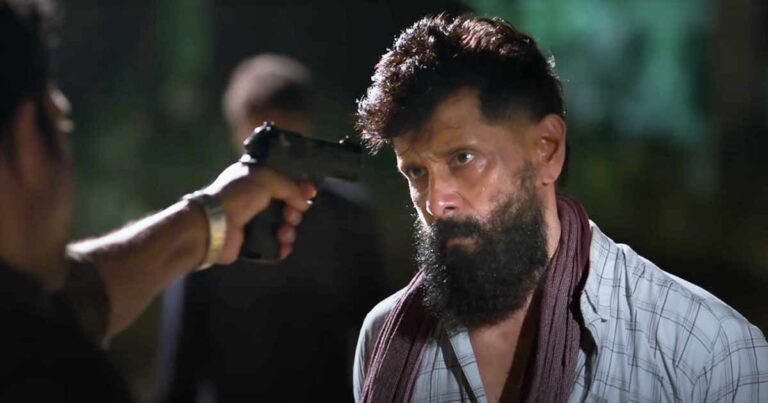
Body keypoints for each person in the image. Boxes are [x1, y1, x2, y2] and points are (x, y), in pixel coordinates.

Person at [352, 14, 768, 403]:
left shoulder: (708, 350)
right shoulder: (384, 338)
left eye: (463, 158)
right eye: (417, 172)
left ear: (547, 150)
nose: (436, 201)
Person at [0, 1, 316, 401]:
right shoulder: (50, 374)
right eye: (63, 124)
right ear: (28, 140)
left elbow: (72, 301)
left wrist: (205, 221)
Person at [156, 54, 387, 402]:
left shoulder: (348, 218)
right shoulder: (212, 219)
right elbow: (180, 362)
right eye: (266, 145)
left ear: (305, 128)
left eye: (285, 143)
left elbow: (383, 342)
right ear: (239, 133)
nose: (276, 162)